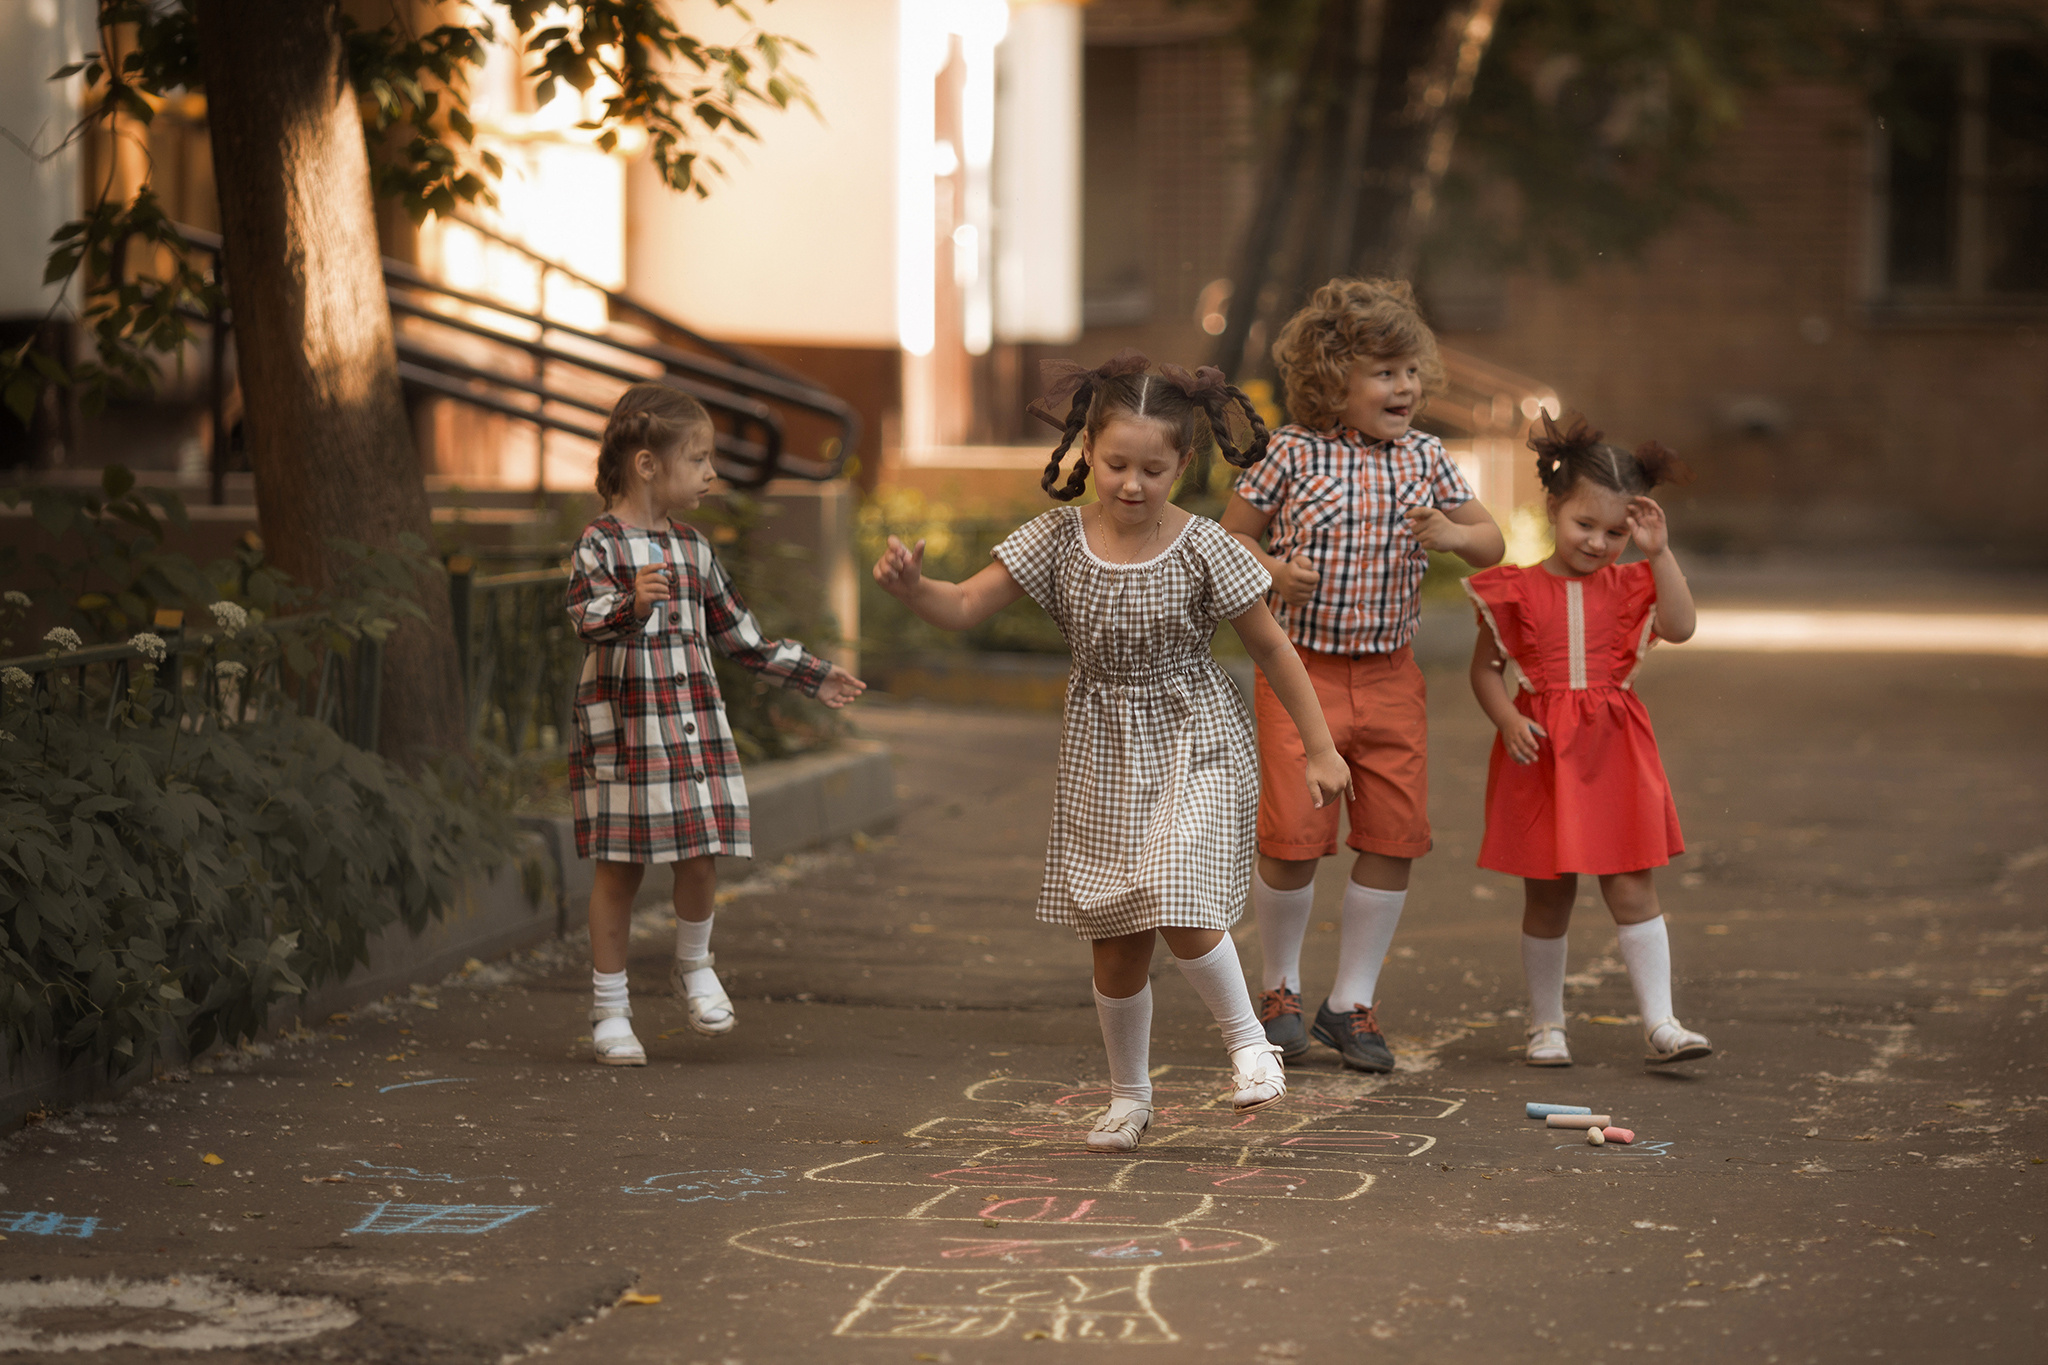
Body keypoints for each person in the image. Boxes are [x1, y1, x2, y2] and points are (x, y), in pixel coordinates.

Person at [872, 353, 1350, 1153]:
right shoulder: (1056, 538)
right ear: (1088, 448)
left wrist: (1320, 747)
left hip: (1194, 733)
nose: (1132, 484)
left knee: (1178, 888)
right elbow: (962, 605)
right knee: (1117, 938)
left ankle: (1249, 1044)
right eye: (1117, 463)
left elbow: (1273, 650)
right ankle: (1130, 1097)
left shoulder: (1207, 548)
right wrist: (913, 587)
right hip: (1102, 752)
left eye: (1153, 469)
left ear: (1183, 465)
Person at [1221, 277, 1505, 1073]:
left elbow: (1492, 543)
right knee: (1293, 836)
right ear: (1329, 376)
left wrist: (1451, 532)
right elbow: (1226, 540)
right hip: (1298, 670)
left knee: (1393, 834)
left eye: (1410, 370)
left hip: (1389, 676)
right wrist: (1274, 566)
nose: (1405, 386)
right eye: (1383, 371)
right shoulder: (1289, 453)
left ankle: (1350, 1001)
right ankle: (1277, 991)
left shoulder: (1425, 457)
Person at [566, 383, 866, 1066]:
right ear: (648, 464)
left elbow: (744, 638)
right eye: (698, 459)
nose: (711, 475)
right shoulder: (599, 544)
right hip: (625, 736)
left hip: (690, 731)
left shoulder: (695, 551)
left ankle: (694, 966)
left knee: (700, 856)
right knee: (619, 872)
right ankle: (610, 1009)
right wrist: (630, 604)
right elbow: (584, 618)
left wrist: (815, 675)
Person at [1463, 413, 1712, 1068]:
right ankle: (1547, 1025)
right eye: (1584, 525)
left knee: (1633, 886)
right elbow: (1485, 671)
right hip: (1540, 752)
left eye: (1615, 532)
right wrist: (1508, 719)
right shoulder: (1515, 589)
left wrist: (1658, 552)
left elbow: (1682, 627)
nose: (1599, 543)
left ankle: (1661, 1020)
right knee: (1548, 893)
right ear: (1552, 506)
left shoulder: (1633, 583)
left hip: (1615, 754)